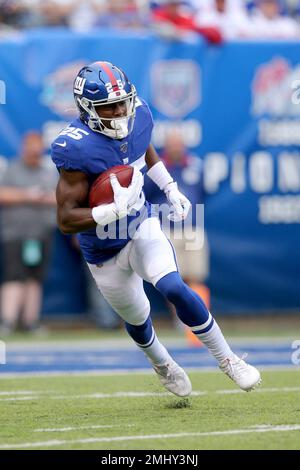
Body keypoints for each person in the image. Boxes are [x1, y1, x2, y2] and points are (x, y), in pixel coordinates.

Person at [51, 61, 261, 397]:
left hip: (140, 225)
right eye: (110, 107)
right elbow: (65, 220)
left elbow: (143, 147)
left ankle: (228, 359)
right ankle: (163, 364)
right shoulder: (76, 147)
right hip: (102, 249)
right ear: (87, 108)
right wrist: (108, 211)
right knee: (138, 319)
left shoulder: (138, 116)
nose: (121, 112)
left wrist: (169, 186)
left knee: (174, 286)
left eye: (123, 102)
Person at [0, 131, 57, 334]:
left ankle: (30, 322)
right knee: (14, 277)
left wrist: (43, 197)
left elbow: (61, 198)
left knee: (35, 278)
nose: (34, 152)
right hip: (15, 233)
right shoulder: (12, 169)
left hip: (41, 233)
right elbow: (2, 194)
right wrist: (27, 195)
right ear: (24, 148)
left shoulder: (48, 172)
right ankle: (7, 321)